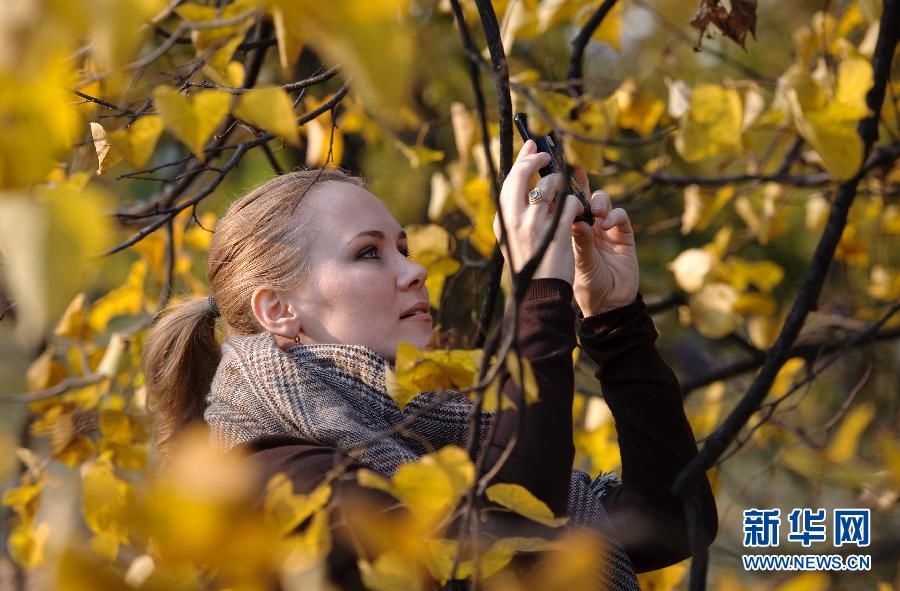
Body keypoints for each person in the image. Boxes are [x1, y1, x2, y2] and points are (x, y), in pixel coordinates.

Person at [142, 139, 718, 589]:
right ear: (279, 309)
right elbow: (505, 545)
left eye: (404, 248)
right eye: (368, 253)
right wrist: (538, 294)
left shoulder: (433, 438)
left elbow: (666, 522)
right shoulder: (283, 480)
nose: (413, 271)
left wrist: (613, 321)